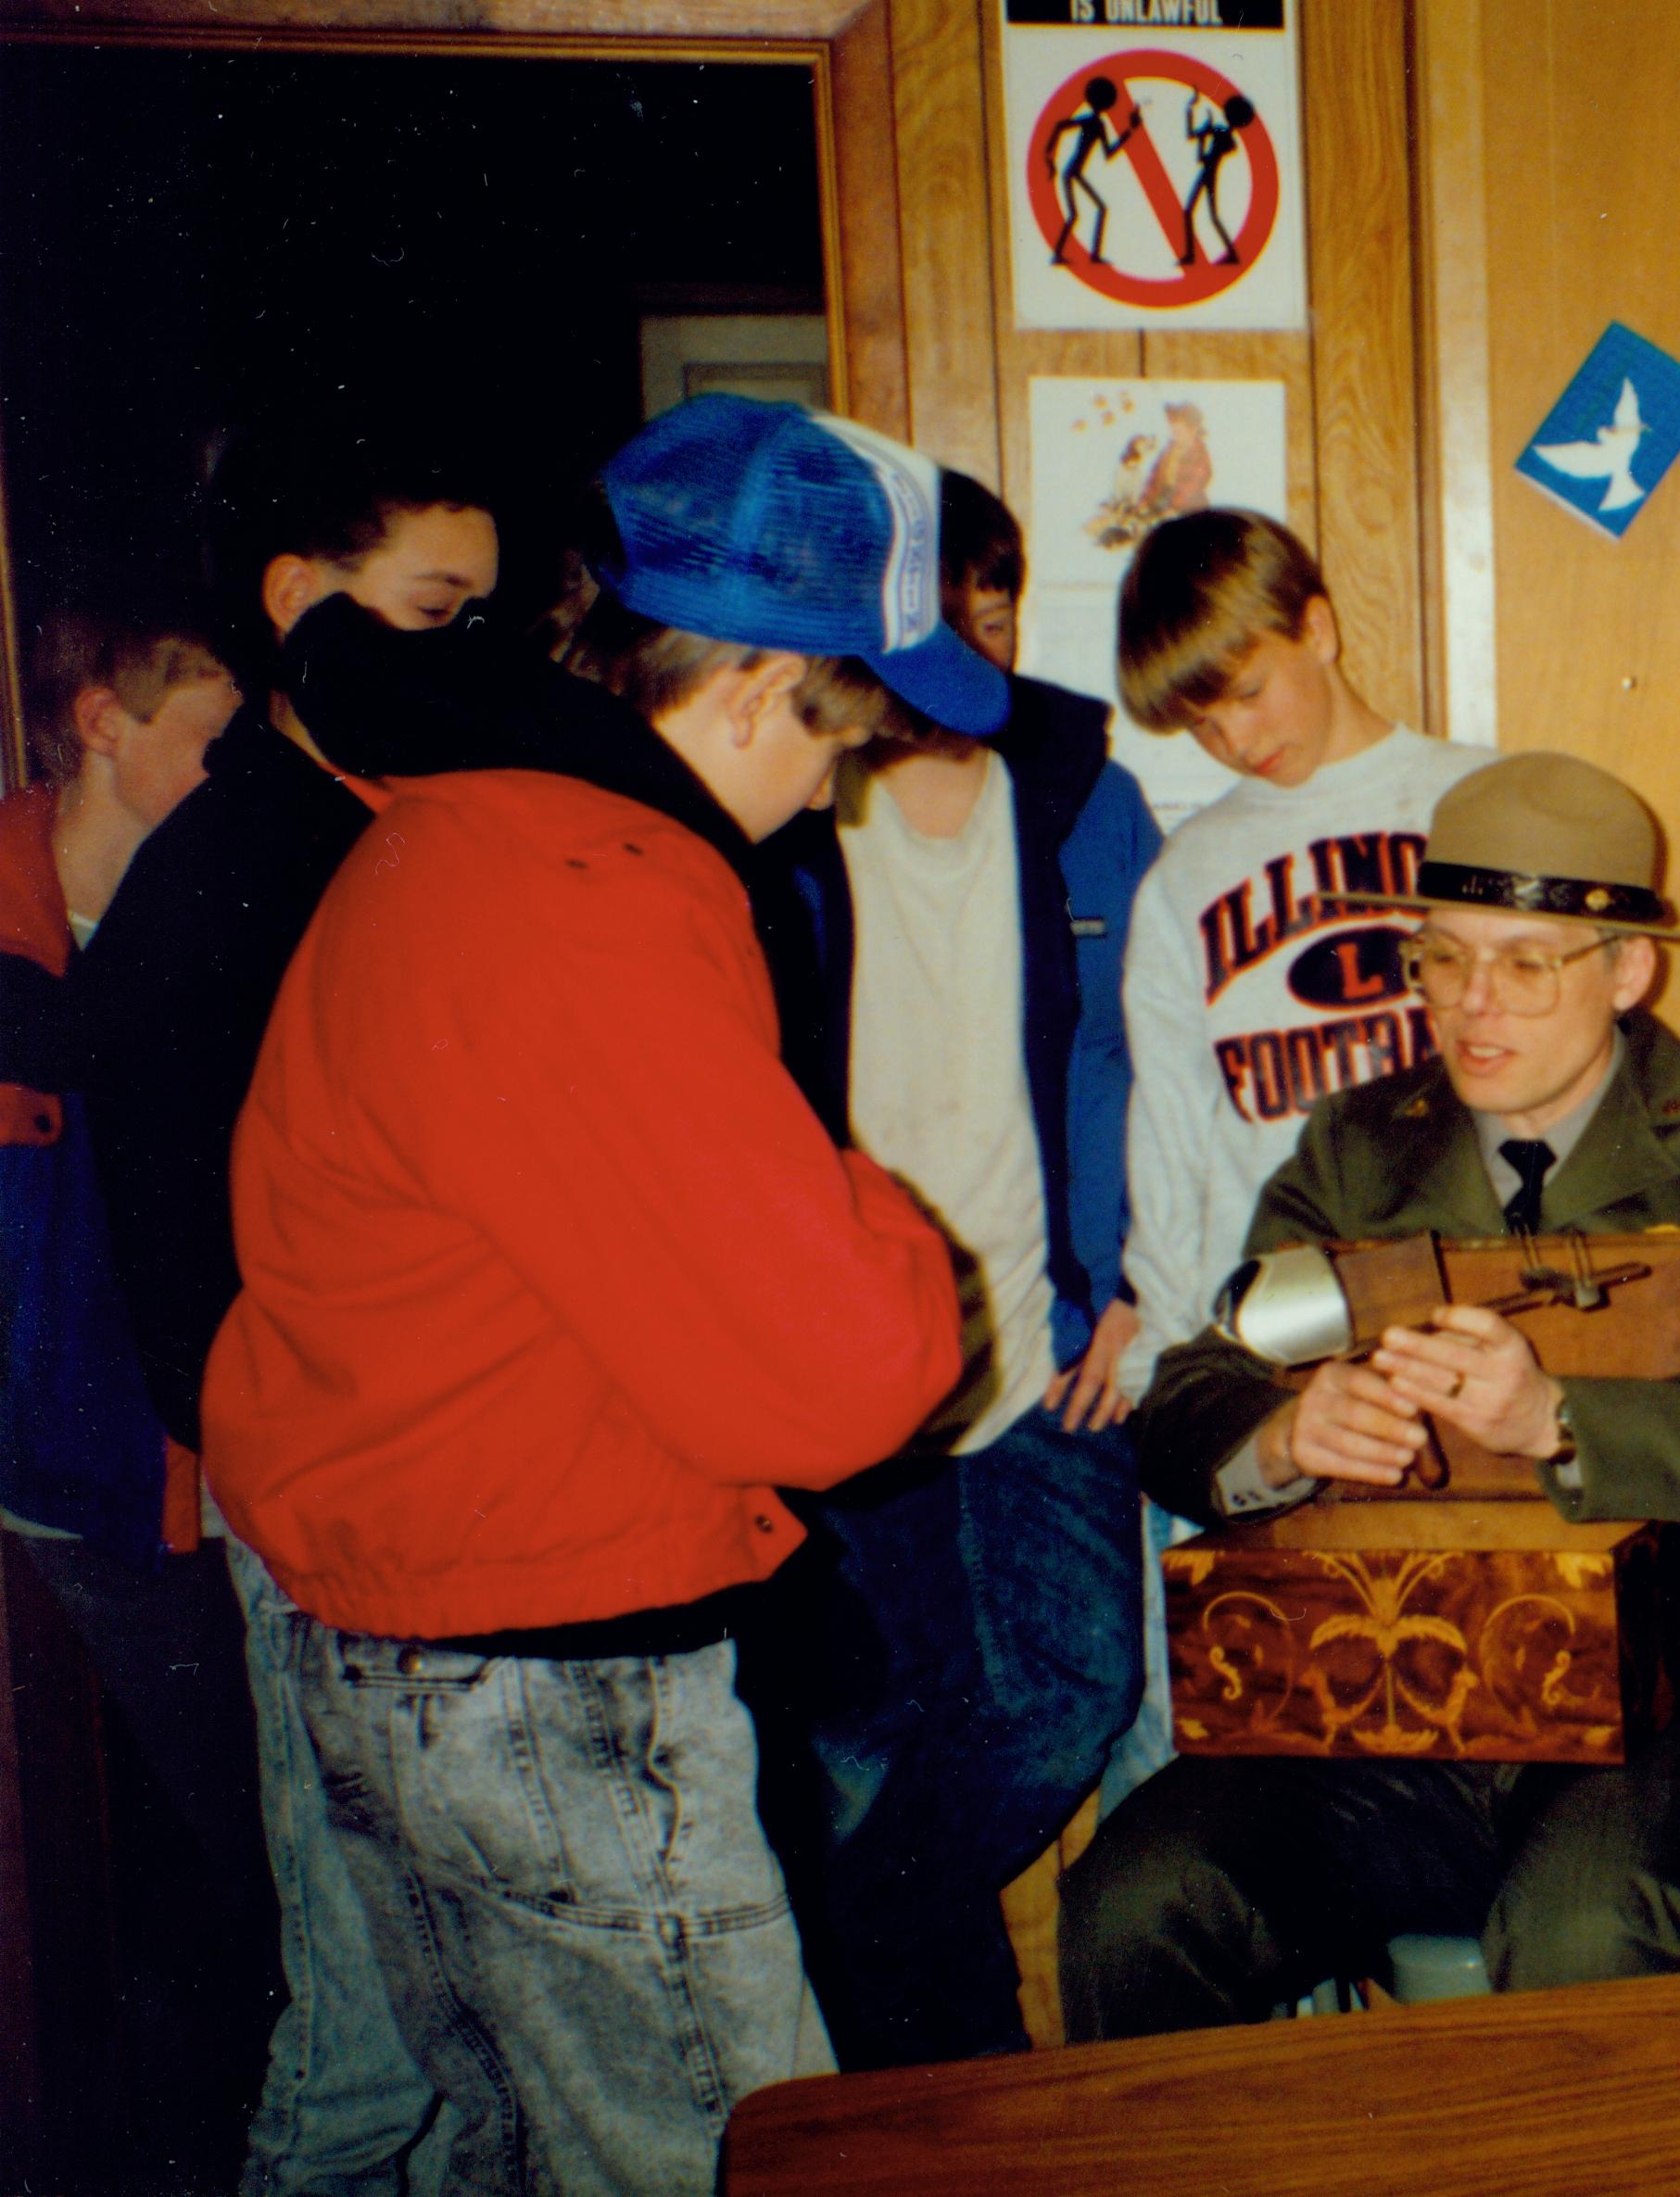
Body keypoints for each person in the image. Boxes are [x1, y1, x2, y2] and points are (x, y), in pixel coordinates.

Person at [198, 393, 975, 2191]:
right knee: (732, 2162)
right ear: (766, 688)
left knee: (492, 2157)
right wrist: (884, 1223)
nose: (834, 789)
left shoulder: (449, 831)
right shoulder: (595, 894)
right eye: (844, 739)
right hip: (548, 1685)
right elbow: (838, 1375)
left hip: (400, 1632)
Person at [1060, 752, 1680, 2035]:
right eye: (1441, 957)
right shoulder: (1355, 1147)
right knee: (1137, 1893)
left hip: (1676, 1698)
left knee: (1578, 1928)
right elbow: (1187, 1397)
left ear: (1627, 970)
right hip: (1388, 1696)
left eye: (1525, 961)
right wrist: (1281, 1431)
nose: (1471, 1005)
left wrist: (1562, 1419)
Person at [72, 423, 499, 2196]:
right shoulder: (260, 860)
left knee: (420, 2019)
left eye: (478, 615)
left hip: (345, 1471)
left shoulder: (333, 829)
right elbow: (206, 1241)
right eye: (426, 607)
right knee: (365, 2037)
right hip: (320, 1484)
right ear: (295, 600)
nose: (453, 654)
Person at [757, 465, 1155, 2068]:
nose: (975, 645)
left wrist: (1135, 1274)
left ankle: (860, 1943)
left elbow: (1147, 1055)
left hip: (1051, 1332)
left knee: (1074, 1690)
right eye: (942, 613)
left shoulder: (1076, 791)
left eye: (995, 607)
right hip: (849, 1354)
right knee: (870, 1728)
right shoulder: (789, 804)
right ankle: (950, 2090)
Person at [1106, 509, 1491, 1799]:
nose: (1235, 739)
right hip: (1274, 1339)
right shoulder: (1184, 875)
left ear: (1317, 626)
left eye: (1249, 691)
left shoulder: (1482, 801)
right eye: (1200, 725)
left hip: (1474, 1312)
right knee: (1237, 1735)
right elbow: (1171, 1140)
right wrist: (1172, 1353)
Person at [0, 600, 266, 2186]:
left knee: (228, 1885)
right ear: (102, 722)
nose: (237, 776)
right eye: (207, 743)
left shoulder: (218, 910)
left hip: (202, 1482)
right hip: (56, 1498)